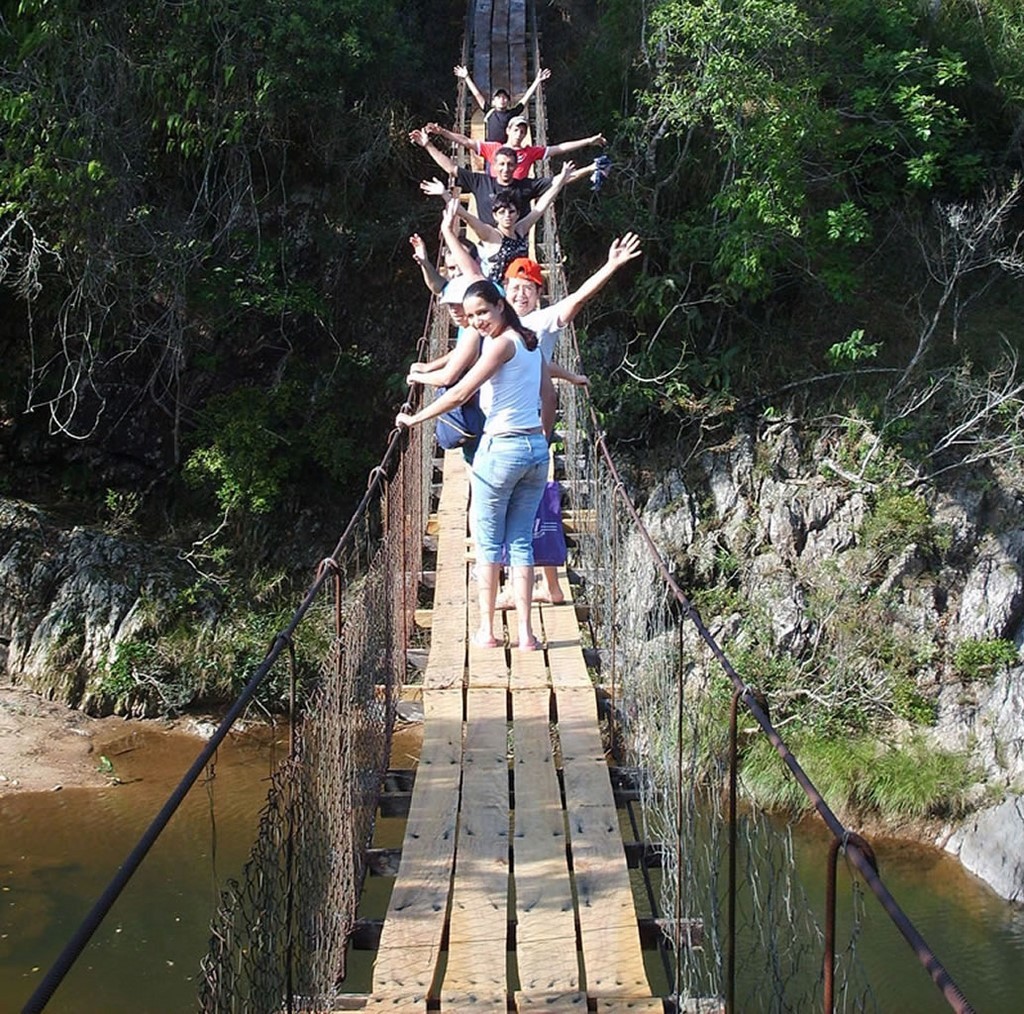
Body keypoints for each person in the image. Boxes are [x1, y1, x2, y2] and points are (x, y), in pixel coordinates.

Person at [397, 280, 555, 652]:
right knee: (519, 543)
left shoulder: (499, 345)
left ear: (501, 305)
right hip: (534, 451)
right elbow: (548, 395)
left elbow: (460, 392)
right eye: (470, 317)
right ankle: (527, 635)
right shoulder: (530, 339)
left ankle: (487, 631)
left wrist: (414, 420)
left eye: (482, 312)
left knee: (487, 544)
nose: (477, 322)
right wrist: (541, 441)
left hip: (501, 449)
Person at [499, 234, 643, 605]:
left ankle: (519, 587)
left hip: (526, 423)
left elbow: (577, 299)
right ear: (504, 290)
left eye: (529, 289)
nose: (521, 295)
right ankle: (550, 585)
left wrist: (610, 266)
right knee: (535, 499)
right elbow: (540, 364)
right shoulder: (500, 325)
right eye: (515, 288)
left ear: (539, 295)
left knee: (517, 500)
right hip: (520, 422)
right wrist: (571, 376)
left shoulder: (542, 320)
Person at [444, 162, 573, 284]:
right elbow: (466, 216)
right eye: (501, 213)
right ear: (494, 216)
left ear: (517, 214)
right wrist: (444, 194)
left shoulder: (520, 229)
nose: (507, 216)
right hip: (497, 294)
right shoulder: (491, 235)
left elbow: (542, 205)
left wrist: (560, 182)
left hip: (518, 288)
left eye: (511, 212)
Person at [425, 116, 606, 179]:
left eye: (522, 131)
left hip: (520, 197)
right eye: (516, 130)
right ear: (508, 130)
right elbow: (466, 141)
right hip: (495, 197)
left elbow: (559, 148)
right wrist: (442, 132)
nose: (519, 134)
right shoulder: (494, 148)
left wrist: (588, 141)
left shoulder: (530, 151)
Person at [455, 64, 551, 143]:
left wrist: (537, 81)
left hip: (506, 150)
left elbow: (525, 98)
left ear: (508, 102)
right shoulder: (490, 112)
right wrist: (466, 77)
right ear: (493, 102)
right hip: (491, 150)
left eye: (505, 98)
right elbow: (477, 94)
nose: (502, 99)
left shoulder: (511, 114)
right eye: (499, 97)